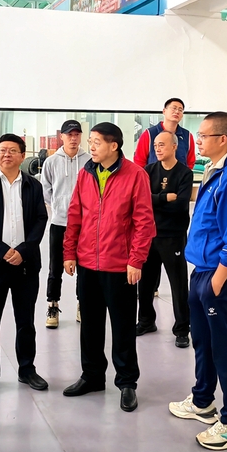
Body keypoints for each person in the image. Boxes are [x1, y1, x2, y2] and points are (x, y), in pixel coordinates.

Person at [168, 112, 227, 451]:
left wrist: (216, 284)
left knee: (226, 350)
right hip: (203, 270)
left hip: (222, 276)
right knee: (203, 343)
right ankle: (203, 400)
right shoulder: (214, 170)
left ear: (223, 139)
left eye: (204, 135)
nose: (198, 140)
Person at [63, 122, 155, 413]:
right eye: (90, 141)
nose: (90, 146)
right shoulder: (86, 173)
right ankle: (92, 376)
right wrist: (69, 252)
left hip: (120, 266)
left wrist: (136, 260)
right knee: (89, 325)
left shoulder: (136, 175)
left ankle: (127, 382)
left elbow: (144, 222)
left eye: (97, 142)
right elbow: (75, 214)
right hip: (88, 263)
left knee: (123, 327)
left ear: (114, 146)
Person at [0, 134, 49, 397]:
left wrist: (23, 251)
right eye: (2, 150)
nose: (6, 154)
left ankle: (27, 369)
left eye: (13, 151)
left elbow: (40, 219)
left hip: (25, 265)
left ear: (22, 156)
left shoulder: (33, 185)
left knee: (25, 321)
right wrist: (3, 252)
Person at [136, 131, 193, 348]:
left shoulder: (184, 173)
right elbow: (141, 200)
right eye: (155, 145)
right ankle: (146, 321)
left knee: (178, 285)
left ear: (174, 147)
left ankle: (182, 329)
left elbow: (180, 205)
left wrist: (154, 202)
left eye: (162, 145)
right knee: (145, 283)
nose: (157, 149)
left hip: (173, 237)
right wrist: (164, 198)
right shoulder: (149, 170)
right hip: (150, 235)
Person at [40, 120, 91, 329]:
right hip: (59, 223)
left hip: (85, 225)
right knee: (55, 267)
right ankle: (53, 305)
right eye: (69, 134)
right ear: (62, 137)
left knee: (84, 268)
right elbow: (46, 189)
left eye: (77, 134)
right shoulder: (51, 162)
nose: (73, 138)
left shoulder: (89, 160)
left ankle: (82, 304)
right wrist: (59, 207)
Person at [133, 98, 196, 170]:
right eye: (174, 108)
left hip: (179, 176)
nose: (177, 112)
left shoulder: (187, 136)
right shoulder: (149, 134)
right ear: (164, 111)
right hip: (152, 176)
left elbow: (190, 162)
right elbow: (139, 161)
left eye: (180, 110)